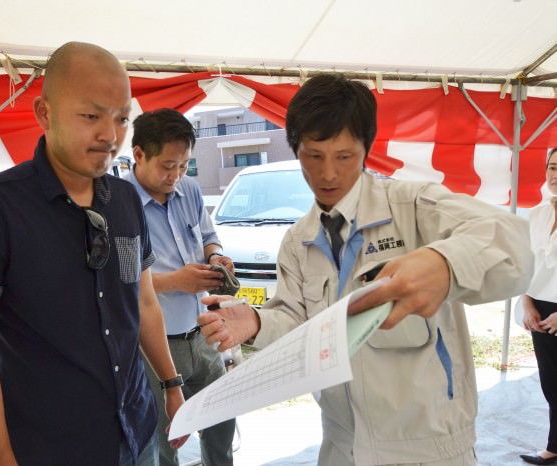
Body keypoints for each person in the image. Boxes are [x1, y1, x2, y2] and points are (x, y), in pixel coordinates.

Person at [198, 73, 534, 466]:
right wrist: (255, 322)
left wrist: (446, 263)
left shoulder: (412, 206)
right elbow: (297, 321)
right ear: (295, 150)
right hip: (342, 445)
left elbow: (514, 245)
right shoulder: (297, 240)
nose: (327, 174)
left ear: (366, 149)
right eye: (313, 156)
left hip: (427, 446)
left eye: (344, 157)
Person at [0, 42, 187, 466]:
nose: (110, 135)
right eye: (91, 115)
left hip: (137, 432)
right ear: (43, 112)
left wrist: (172, 384)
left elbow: (143, 303)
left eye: (122, 118)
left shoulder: (126, 200)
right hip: (50, 448)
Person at [126, 108, 236, 466]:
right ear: (138, 154)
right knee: (164, 441)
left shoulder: (188, 190)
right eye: (167, 165)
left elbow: (208, 235)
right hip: (152, 348)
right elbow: (117, 282)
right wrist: (177, 281)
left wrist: (216, 256)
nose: (176, 175)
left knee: (221, 424)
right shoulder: (117, 204)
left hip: (202, 333)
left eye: (184, 165)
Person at [519, 147, 557, 465]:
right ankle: (554, 445)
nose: (555, 175)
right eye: (553, 167)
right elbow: (525, 265)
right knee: (551, 382)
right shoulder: (536, 213)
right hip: (540, 307)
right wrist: (527, 303)